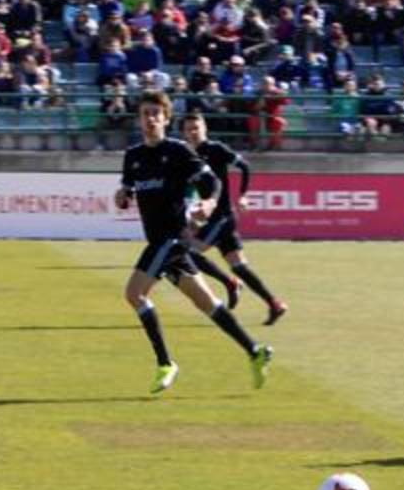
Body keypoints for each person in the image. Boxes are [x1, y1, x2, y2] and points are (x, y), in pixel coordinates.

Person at [114, 92, 274, 394]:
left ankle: (165, 363)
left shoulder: (177, 151)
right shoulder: (133, 156)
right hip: (166, 244)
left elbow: (211, 181)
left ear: (166, 118)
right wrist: (121, 196)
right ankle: (255, 351)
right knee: (208, 304)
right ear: (139, 118)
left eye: (156, 114)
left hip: (171, 239)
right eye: (145, 113)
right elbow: (127, 190)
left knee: (134, 294)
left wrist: (210, 203)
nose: (150, 119)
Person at [179, 112, 289, 325]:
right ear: (183, 132)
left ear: (205, 129)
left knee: (187, 253)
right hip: (213, 218)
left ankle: (230, 283)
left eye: (196, 128)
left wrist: (244, 195)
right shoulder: (186, 156)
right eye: (188, 129)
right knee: (239, 266)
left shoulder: (216, 149)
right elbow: (190, 188)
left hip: (220, 217)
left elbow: (244, 166)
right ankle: (274, 304)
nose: (193, 132)